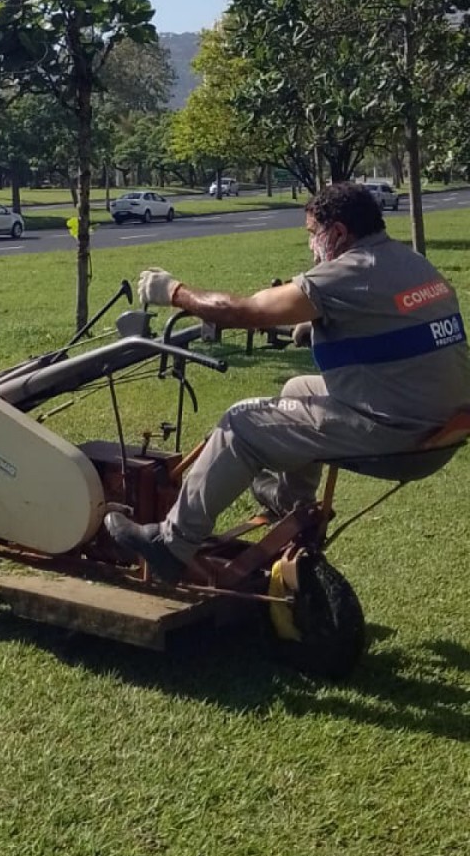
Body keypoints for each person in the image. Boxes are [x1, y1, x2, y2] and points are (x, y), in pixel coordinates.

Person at [105, 181, 470, 582]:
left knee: (241, 423)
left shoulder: (344, 274)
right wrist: (317, 324)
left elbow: (242, 311)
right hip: (443, 422)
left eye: (313, 234)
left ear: (338, 233)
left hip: (397, 432)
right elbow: (391, 325)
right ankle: (290, 504)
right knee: (299, 388)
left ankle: (172, 545)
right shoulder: (410, 262)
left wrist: (175, 292)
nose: (311, 245)